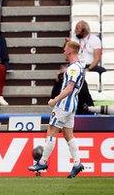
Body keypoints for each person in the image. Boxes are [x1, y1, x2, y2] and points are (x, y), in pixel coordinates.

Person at [29, 41, 86, 178]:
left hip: (64, 105)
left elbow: (69, 88)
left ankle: (42, 162)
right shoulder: (79, 66)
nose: (63, 51)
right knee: (68, 135)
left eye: (65, 49)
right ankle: (77, 163)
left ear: (71, 50)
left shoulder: (73, 68)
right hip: (72, 105)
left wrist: (55, 100)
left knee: (51, 131)